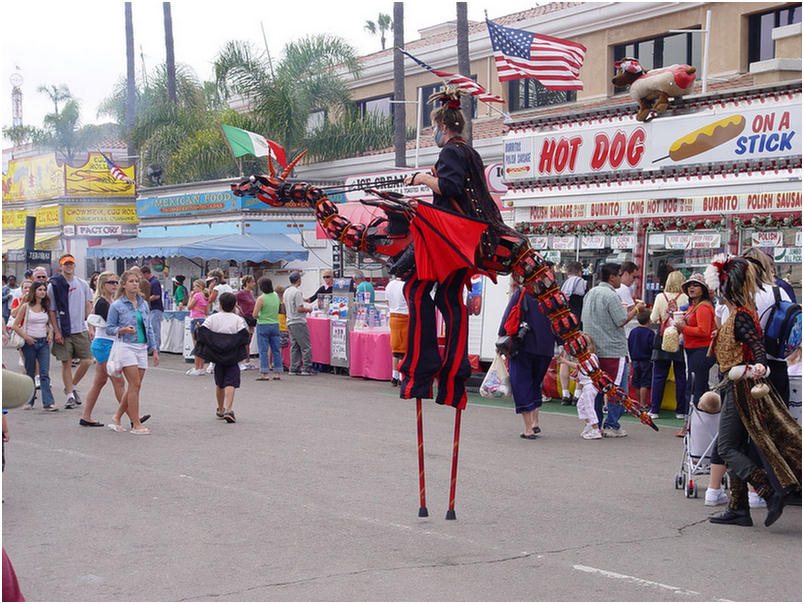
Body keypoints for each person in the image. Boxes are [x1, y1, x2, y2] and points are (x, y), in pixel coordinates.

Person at [398, 87, 512, 410]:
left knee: (416, 291)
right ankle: (453, 374)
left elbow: (448, 187)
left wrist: (423, 178)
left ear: (443, 127)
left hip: (454, 238)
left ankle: (421, 367)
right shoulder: (470, 153)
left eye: (434, 127)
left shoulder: (450, 152)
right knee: (448, 298)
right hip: (474, 238)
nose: (433, 133)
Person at [706, 255, 801, 527]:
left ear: (726, 287)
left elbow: (757, 344)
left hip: (741, 387)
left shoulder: (741, 315)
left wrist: (759, 363)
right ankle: (738, 508)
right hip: (737, 383)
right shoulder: (739, 312)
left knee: (725, 446)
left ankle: (769, 491)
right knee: (735, 445)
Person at [581, 263, 646, 437]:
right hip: (613, 350)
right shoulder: (611, 295)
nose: (621, 278)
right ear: (612, 277)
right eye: (619, 275)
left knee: (595, 389)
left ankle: (595, 424)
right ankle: (612, 424)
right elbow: (621, 320)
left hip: (593, 350)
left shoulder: (590, 293)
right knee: (617, 389)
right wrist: (637, 309)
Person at [498, 279, 555, 439]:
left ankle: (528, 428)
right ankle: (535, 422)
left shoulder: (522, 293)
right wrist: (562, 343)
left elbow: (508, 315)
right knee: (535, 383)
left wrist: (501, 336)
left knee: (521, 383)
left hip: (523, 345)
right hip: (545, 347)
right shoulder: (553, 297)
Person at [105, 270, 159, 435]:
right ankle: (136, 423)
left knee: (136, 385)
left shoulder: (143, 304)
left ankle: (117, 416)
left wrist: (154, 348)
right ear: (124, 284)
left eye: (137, 281)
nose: (135, 284)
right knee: (134, 384)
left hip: (141, 346)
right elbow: (109, 328)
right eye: (131, 281)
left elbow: (148, 327)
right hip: (126, 346)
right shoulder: (117, 306)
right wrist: (122, 330)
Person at [81, 272, 128, 427]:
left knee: (100, 381)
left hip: (107, 343)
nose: (115, 285)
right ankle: (134, 416)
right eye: (111, 282)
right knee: (118, 381)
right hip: (105, 343)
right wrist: (125, 328)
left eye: (116, 282)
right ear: (103, 285)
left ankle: (86, 416)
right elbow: (111, 326)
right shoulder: (102, 302)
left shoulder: (110, 301)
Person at [194, 292, 249, 423]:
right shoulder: (237, 319)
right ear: (234, 306)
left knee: (220, 383)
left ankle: (220, 408)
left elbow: (201, 332)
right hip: (232, 356)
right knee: (231, 382)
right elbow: (244, 336)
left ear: (220, 305)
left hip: (217, 356)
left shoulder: (213, 318)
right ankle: (229, 408)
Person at [47, 254, 93, 408]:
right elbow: (51, 310)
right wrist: (56, 331)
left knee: (87, 361)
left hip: (80, 328)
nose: (68, 266)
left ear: (74, 265)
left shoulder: (82, 284)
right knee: (66, 362)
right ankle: (69, 395)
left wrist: (89, 323)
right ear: (61, 266)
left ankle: (71, 386)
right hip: (64, 329)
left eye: (71, 264)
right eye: (65, 264)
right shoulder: (54, 285)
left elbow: (88, 303)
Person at [674, 273, 716, 421]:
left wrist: (683, 328)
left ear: (703, 289)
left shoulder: (703, 307)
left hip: (701, 350)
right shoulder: (694, 306)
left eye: (695, 285)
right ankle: (695, 420)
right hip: (694, 350)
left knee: (696, 388)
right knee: (696, 386)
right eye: (689, 285)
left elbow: (703, 331)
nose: (692, 287)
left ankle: (694, 421)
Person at [648, 270, 689, 420]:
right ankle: (681, 411)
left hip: (663, 337)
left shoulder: (660, 297)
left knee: (658, 375)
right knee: (680, 375)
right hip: (680, 337)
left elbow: (653, 318)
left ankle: (654, 409)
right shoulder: (685, 297)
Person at [11, 281, 57, 411]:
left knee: (44, 373)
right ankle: (29, 400)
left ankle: (48, 402)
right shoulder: (26, 306)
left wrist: (50, 333)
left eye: (44, 290)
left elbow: (46, 324)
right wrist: (26, 337)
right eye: (40, 290)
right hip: (29, 343)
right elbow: (15, 325)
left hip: (43, 343)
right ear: (34, 291)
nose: (42, 292)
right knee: (30, 372)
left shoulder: (45, 307)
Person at [558, 333, 602, 439]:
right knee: (581, 405)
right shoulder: (583, 359)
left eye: (587, 344)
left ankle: (596, 429)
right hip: (586, 385)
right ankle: (589, 425)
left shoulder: (592, 357)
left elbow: (580, 366)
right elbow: (580, 370)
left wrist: (565, 361)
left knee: (589, 407)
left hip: (591, 385)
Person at [558, 261, 586, 405]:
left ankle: (565, 394)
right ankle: (577, 394)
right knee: (581, 359)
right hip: (578, 323)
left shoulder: (563, 285)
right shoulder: (580, 283)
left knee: (565, 358)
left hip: (564, 325)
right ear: (580, 272)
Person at [253, 277, 283, 381]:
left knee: (263, 350)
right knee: (276, 350)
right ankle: (277, 372)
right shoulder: (276, 296)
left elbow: (255, 314)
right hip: (275, 324)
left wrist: (261, 314)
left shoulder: (261, 298)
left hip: (263, 325)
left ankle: (265, 373)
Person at [283, 271, 313, 375]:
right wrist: (308, 309)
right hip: (298, 321)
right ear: (299, 280)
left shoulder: (286, 291)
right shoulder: (297, 292)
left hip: (290, 321)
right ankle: (306, 368)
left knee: (295, 345)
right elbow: (299, 308)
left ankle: (294, 367)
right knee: (306, 346)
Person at [628, 310, 654, 409]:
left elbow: (630, 344)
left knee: (636, 382)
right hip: (646, 360)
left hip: (635, 359)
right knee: (645, 382)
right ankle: (643, 403)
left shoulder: (633, 332)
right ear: (649, 320)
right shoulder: (650, 333)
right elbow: (651, 346)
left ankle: (638, 403)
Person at [386, 275, 408, 387]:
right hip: (405, 317)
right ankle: (401, 377)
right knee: (404, 350)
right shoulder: (406, 285)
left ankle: (394, 376)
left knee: (395, 350)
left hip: (393, 316)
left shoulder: (390, 285)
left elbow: (387, 302)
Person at [186, 279, 209, 376]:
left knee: (196, 344)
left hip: (195, 319)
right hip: (203, 319)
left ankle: (197, 367)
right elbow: (207, 311)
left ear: (199, 287)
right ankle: (201, 367)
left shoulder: (196, 295)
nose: (193, 288)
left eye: (195, 286)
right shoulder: (205, 297)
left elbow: (189, 306)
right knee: (202, 344)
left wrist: (190, 297)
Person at [235, 275, 258, 371]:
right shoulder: (240, 293)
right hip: (244, 317)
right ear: (247, 283)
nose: (254, 284)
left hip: (251, 317)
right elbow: (232, 300)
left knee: (249, 340)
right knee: (245, 340)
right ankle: (243, 360)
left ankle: (247, 360)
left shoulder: (251, 293)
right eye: (252, 282)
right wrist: (239, 308)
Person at [140, 265, 163, 354]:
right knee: (151, 329)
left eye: (142, 275)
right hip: (151, 309)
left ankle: (155, 349)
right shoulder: (149, 282)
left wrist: (146, 300)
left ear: (146, 274)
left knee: (155, 330)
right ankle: (152, 348)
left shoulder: (154, 282)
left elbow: (157, 296)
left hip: (156, 309)